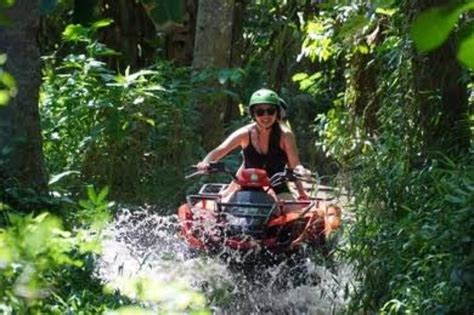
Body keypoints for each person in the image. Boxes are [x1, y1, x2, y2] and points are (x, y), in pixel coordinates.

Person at [196, 88, 310, 200]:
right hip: (247, 182)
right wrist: (205, 163)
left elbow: (294, 164)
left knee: (293, 213)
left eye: (270, 111)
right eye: (260, 112)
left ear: (277, 113)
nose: (265, 116)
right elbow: (220, 150)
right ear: (253, 114)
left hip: (277, 183)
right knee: (223, 210)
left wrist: (301, 172)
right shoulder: (245, 133)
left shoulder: (285, 135)